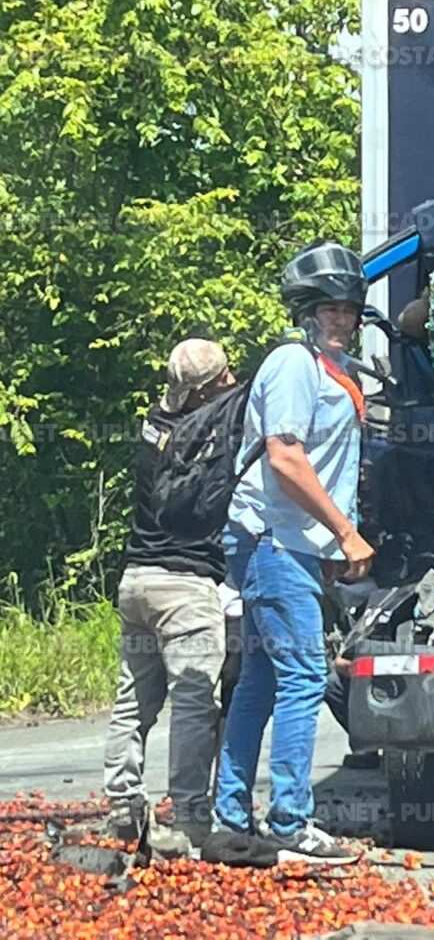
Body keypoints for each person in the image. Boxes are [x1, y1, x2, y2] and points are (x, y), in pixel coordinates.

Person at [214, 242, 375, 865]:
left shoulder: (338, 371)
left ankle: (231, 817)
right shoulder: (291, 363)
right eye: (330, 309)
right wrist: (345, 532)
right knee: (305, 675)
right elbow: (285, 458)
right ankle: (289, 823)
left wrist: (330, 541)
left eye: (350, 310)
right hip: (271, 540)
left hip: (291, 544)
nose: (342, 319)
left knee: (259, 678)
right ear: (305, 312)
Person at [103, 338, 236, 856]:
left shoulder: (156, 426)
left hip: (137, 582)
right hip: (184, 586)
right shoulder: (206, 433)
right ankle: (190, 816)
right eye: (224, 377)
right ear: (204, 390)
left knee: (133, 701)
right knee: (194, 702)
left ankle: (122, 805)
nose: (231, 382)